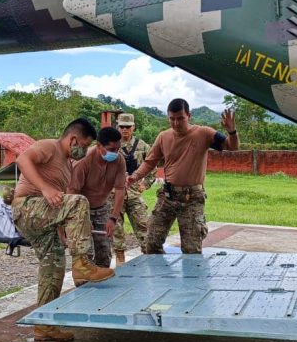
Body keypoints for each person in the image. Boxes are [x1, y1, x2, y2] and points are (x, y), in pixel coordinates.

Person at [12, 118, 115, 342]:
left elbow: (59, 203)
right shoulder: (49, 146)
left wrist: (62, 227)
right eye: (85, 145)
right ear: (74, 139)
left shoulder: (68, 165)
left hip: (43, 217)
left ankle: (44, 326)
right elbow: (22, 159)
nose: (85, 150)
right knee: (79, 201)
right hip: (27, 206)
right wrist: (45, 188)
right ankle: (82, 264)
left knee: (54, 269)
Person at [127, 99, 239, 254]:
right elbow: (150, 162)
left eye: (180, 118)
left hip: (192, 198)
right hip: (167, 196)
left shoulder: (204, 133)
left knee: (191, 250)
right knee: (150, 243)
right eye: (172, 119)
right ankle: (163, 277)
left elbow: (232, 147)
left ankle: (191, 277)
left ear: (189, 116)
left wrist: (232, 132)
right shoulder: (163, 137)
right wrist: (135, 176)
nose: (176, 123)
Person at [68, 126, 127, 271]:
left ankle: (102, 288)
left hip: (102, 208)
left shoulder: (119, 160)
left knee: (104, 253)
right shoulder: (83, 162)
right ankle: (84, 288)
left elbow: (120, 189)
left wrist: (113, 218)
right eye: (111, 149)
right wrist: (83, 219)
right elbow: (72, 193)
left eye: (118, 149)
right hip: (81, 210)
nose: (115, 153)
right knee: (84, 256)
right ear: (99, 146)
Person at [112, 113, 153, 266]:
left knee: (143, 226)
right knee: (116, 229)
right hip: (115, 194)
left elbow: (152, 165)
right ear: (117, 127)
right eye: (121, 126)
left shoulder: (143, 146)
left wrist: (146, 184)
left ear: (133, 127)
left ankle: (149, 256)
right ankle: (120, 261)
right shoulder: (112, 146)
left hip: (135, 193)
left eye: (128, 127)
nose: (124, 130)